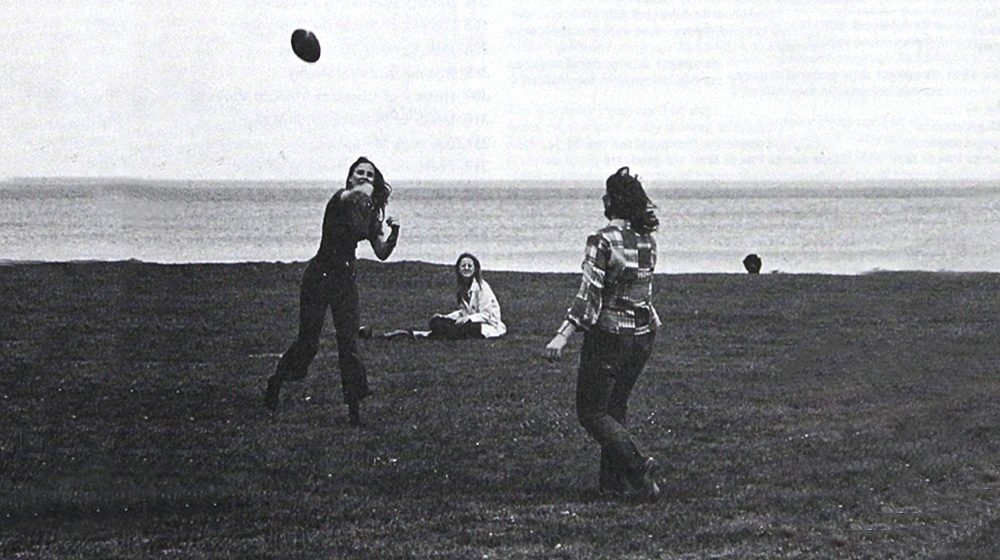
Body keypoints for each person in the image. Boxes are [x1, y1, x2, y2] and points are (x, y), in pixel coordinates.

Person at [544, 166, 662, 501]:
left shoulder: (601, 241)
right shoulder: (648, 242)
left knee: (591, 412)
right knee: (614, 407)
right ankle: (613, 486)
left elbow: (589, 297)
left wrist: (562, 335)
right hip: (643, 336)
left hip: (609, 336)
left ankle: (637, 467)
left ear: (610, 201)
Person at [265, 157, 400, 426]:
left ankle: (354, 411)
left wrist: (394, 232)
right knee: (308, 342)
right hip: (319, 277)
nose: (364, 177)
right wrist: (367, 197)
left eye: (369, 174)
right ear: (349, 179)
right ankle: (277, 381)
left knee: (348, 344)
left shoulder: (370, 211)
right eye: (358, 173)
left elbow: (382, 252)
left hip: (345, 281)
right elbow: (354, 209)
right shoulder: (341, 199)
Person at [383, 253, 506, 340]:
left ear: (475, 269)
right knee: (437, 322)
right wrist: (446, 317)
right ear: (458, 269)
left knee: (462, 329)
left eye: (469, 266)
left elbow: (487, 315)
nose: (466, 268)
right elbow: (463, 312)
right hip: (468, 322)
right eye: (463, 266)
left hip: (486, 326)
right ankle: (415, 334)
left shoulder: (482, 288)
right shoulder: (462, 288)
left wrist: (469, 319)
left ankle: (414, 334)